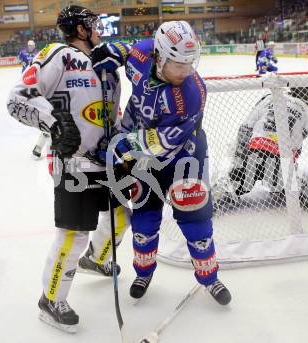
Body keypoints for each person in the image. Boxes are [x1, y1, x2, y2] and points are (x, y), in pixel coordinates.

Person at [6, 5, 131, 333]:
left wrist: (120, 142)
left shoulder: (105, 62)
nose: (100, 30)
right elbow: (18, 99)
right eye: (94, 25)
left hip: (106, 161)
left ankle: (97, 259)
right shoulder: (57, 55)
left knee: (121, 217)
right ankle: (51, 299)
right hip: (72, 162)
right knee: (74, 234)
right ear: (79, 29)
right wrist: (55, 125)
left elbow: (110, 114)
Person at [90, 20, 232, 306]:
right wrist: (112, 52)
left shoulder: (193, 93)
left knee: (195, 218)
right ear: (160, 56)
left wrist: (119, 149)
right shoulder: (143, 55)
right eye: (179, 64)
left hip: (184, 155)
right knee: (144, 219)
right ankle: (143, 273)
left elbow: (163, 141)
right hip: (143, 152)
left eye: (190, 63)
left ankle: (209, 277)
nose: (186, 71)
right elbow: (127, 50)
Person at [212, 87, 308, 212]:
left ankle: (218, 193)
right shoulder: (306, 108)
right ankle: (293, 190)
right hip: (281, 165)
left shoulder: (269, 99)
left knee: (233, 183)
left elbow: (245, 129)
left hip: (252, 156)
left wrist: (238, 161)